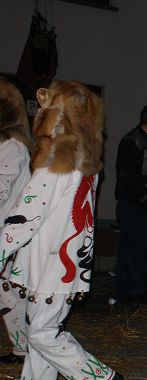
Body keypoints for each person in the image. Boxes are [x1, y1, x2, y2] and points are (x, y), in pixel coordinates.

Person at [0, 81, 123, 380]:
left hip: (52, 263)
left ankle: (100, 379)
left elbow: (26, 216)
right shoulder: (85, 160)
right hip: (65, 262)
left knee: (42, 332)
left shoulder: (58, 161)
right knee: (39, 326)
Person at [114, 104, 147, 304]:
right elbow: (127, 176)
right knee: (130, 249)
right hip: (134, 207)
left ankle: (139, 289)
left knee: (144, 250)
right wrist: (144, 196)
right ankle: (124, 291)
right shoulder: (132, 142)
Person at [0, 77, 32, 364]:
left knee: (10, 293)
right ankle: (22, 348)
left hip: (8, 232)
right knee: (7, 294)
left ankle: (26, 348)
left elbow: (1, 190)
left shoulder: (12, 146)